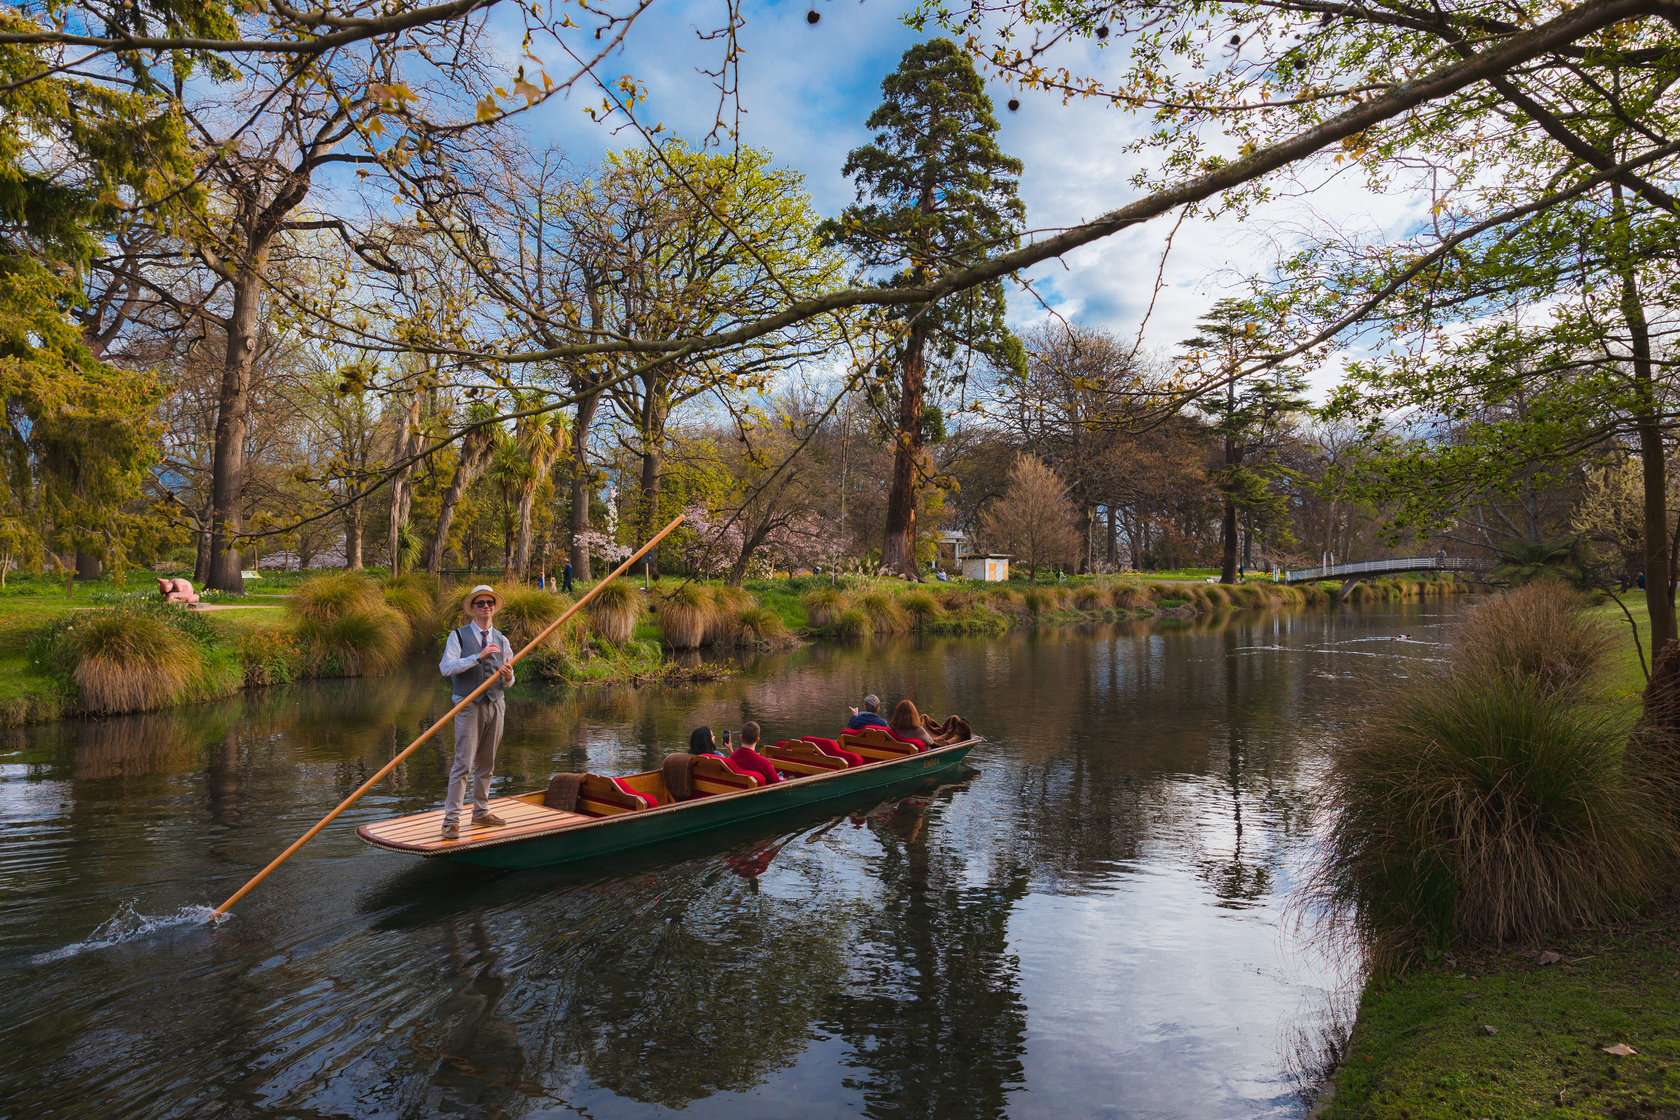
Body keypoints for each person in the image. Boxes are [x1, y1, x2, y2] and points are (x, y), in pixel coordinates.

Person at [438, 584, 517, 840]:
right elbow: (446, 668)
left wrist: (509, 676)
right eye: (480, 603)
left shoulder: (502, 638)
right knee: (463, 764)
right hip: (468, 705)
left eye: (490, 603)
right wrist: (477, 657)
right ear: (472, 608)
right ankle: (451, 821)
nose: (486, 606)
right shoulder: (458, 636)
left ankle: (481, 813)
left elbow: (509, 681)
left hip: (496, 703)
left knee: (487, 763)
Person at [728, 720, 782, 785]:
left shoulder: (733, 757)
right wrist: (781, 779)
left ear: (741, 737)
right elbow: (778, 785)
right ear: (757, 740)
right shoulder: (765, 764)